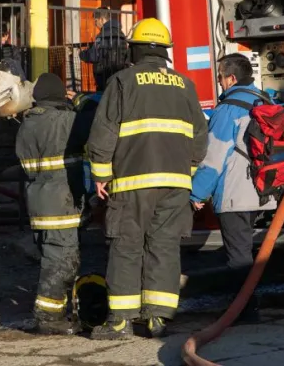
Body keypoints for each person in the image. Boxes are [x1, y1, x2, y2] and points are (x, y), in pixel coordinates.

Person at [86, 18, 208, 340]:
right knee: (164, 247)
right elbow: (200, 137)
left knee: (126, 246)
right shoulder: (185, 85)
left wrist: (100, 174)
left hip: (132, 183)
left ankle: (120, 321)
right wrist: (187, 173)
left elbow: (104, 132)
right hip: (176, 186)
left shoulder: (122, 81)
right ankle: (158, 319)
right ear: (164, 51)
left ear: (135, 50)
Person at [190, 53, 273, 323]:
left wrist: (197, 193)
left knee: (238, 256)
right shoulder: (266, 101)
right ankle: (247, 306)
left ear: (232, 78)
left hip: (235, 193)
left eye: (220, 77)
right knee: (245, 249)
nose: (219, 82)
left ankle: (245, 311)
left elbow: (214, 158)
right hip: (262, 191)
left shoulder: (227, 109)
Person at [15, 73, 90, 335]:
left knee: (52, 258)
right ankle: (48, 317)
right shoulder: (65, 121)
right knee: (61, 261)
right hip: (62, 204)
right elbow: (95, 124)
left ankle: (57, 312)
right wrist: (81, 100)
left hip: (38, 204)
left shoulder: (27, 124)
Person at [79, 11, 128, 87]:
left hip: (105, 77)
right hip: (120, 76)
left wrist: (82, 54)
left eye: (96, 21)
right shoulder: (121, 33)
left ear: (101, 19)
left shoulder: (103, 35)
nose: (95, 24)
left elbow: (94, 56)